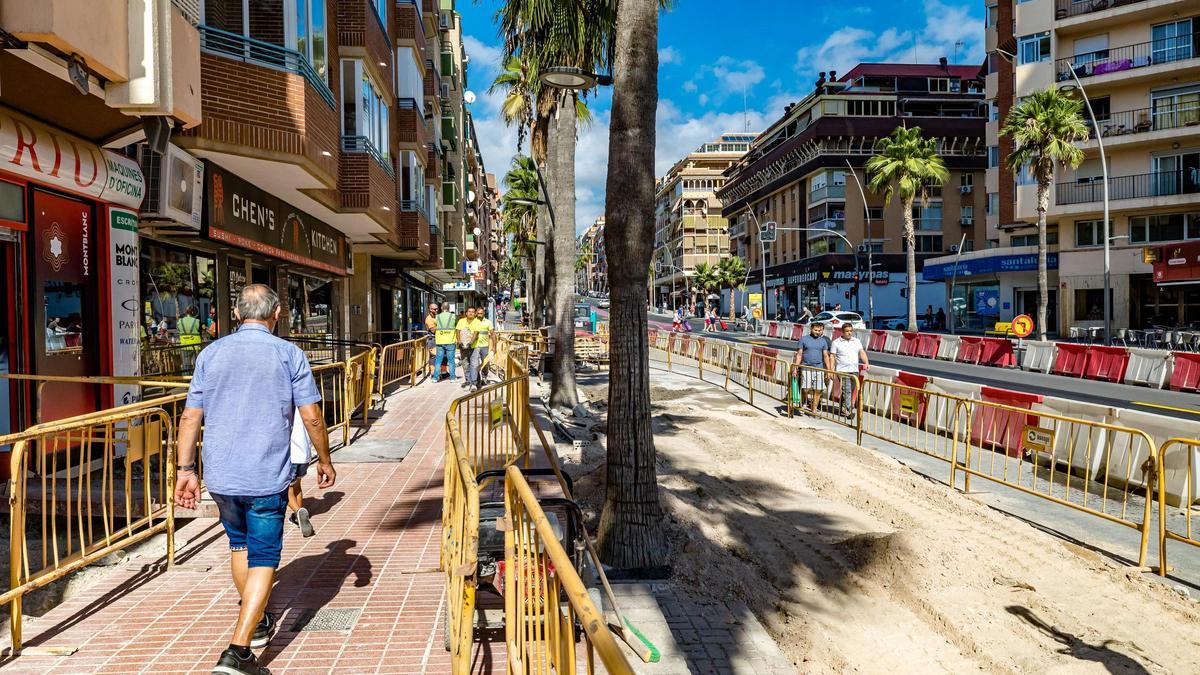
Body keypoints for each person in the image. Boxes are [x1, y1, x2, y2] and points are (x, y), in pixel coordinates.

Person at [173, 284, 335, 675]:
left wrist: (185, 470)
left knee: (238, 545)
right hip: (265, 474)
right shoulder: (287, 354)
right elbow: (311, 415)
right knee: (264, 556)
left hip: (223, 475)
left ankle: (257, 618)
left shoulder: (211, 354)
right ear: (277, 313)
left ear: (238, 313)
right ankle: (239, 651)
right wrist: (324, 459)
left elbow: (190, 416)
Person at [830, 324, 869, 417]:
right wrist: (831, 370)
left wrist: (866, 362)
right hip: (842, 370)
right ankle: (848, 411)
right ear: (842, 332)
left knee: (849, 391)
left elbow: (861, 352)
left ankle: (842, 409)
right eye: (847, 331)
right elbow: (832, 356)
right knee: (846, 390)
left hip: (854, 370)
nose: (849, 333)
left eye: (851, 331)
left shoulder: (856, 341)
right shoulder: (836, 342)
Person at [287, 408, 315, 538]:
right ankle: (298, 516)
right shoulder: (305, 406)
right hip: (304, 453)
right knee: (297, 485)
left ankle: (298, 511)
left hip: (290, 454)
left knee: (286, 490)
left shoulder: (285, 406)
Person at [793, 321, 832, 414]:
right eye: (815, 330)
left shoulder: (823, 341)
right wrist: (795, 368)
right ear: (811, 329)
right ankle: (802, 403)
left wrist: (829, 370)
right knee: (806, 388)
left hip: (819, 369)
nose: (817, 332)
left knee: (818, 390)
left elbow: (826, 356)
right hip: (806, 368)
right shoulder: (803, 339)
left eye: (819, 330)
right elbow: (799, 354)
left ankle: (813, 409)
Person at [467, 304, 492, 390]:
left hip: (485, 346)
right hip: (475, 346)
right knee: (475, 364)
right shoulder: (473, 321)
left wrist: (495, 347)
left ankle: (484, 377)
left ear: (484, 313)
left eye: (481, 313)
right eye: (478, 313)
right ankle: (476, 381)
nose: (479, 315)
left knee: (485, 363)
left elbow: (493, 334)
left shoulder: (488, 322)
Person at [433, 303, 458, 382]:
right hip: (450, 340)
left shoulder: (437, 317)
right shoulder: (453, 316)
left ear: (441, 307)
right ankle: (452, 378)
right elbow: (456, 326)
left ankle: (435, 377)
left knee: (438, 360)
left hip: (440, 341)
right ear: (449, 308)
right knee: (451, 360)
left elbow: (435, 326)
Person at [455, 307, 475, 388]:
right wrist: (459, 341)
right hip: (463, 346)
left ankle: (474, 381)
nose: (470, 313)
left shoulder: (476, 322)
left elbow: (476, 333)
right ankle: (468, 380)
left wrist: (471, 342)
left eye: (472, 312)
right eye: (469, 311)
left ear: (475, 313)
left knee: (473, 364)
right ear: (466, 313)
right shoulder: (461, 321)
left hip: (474, 346)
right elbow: (457, 331)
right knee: (465, 363)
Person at [424, 303, 439, 377]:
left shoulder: (436, 317)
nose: (436, 310)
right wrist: (441, 326)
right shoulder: (429, 318)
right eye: (434, 309)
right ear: (430, 309)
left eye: (437, 309)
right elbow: (433, 330)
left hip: (437, 338)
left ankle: (440, 372)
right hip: (432, 339)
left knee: (438, 355)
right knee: (433, 356)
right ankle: (433, 373)